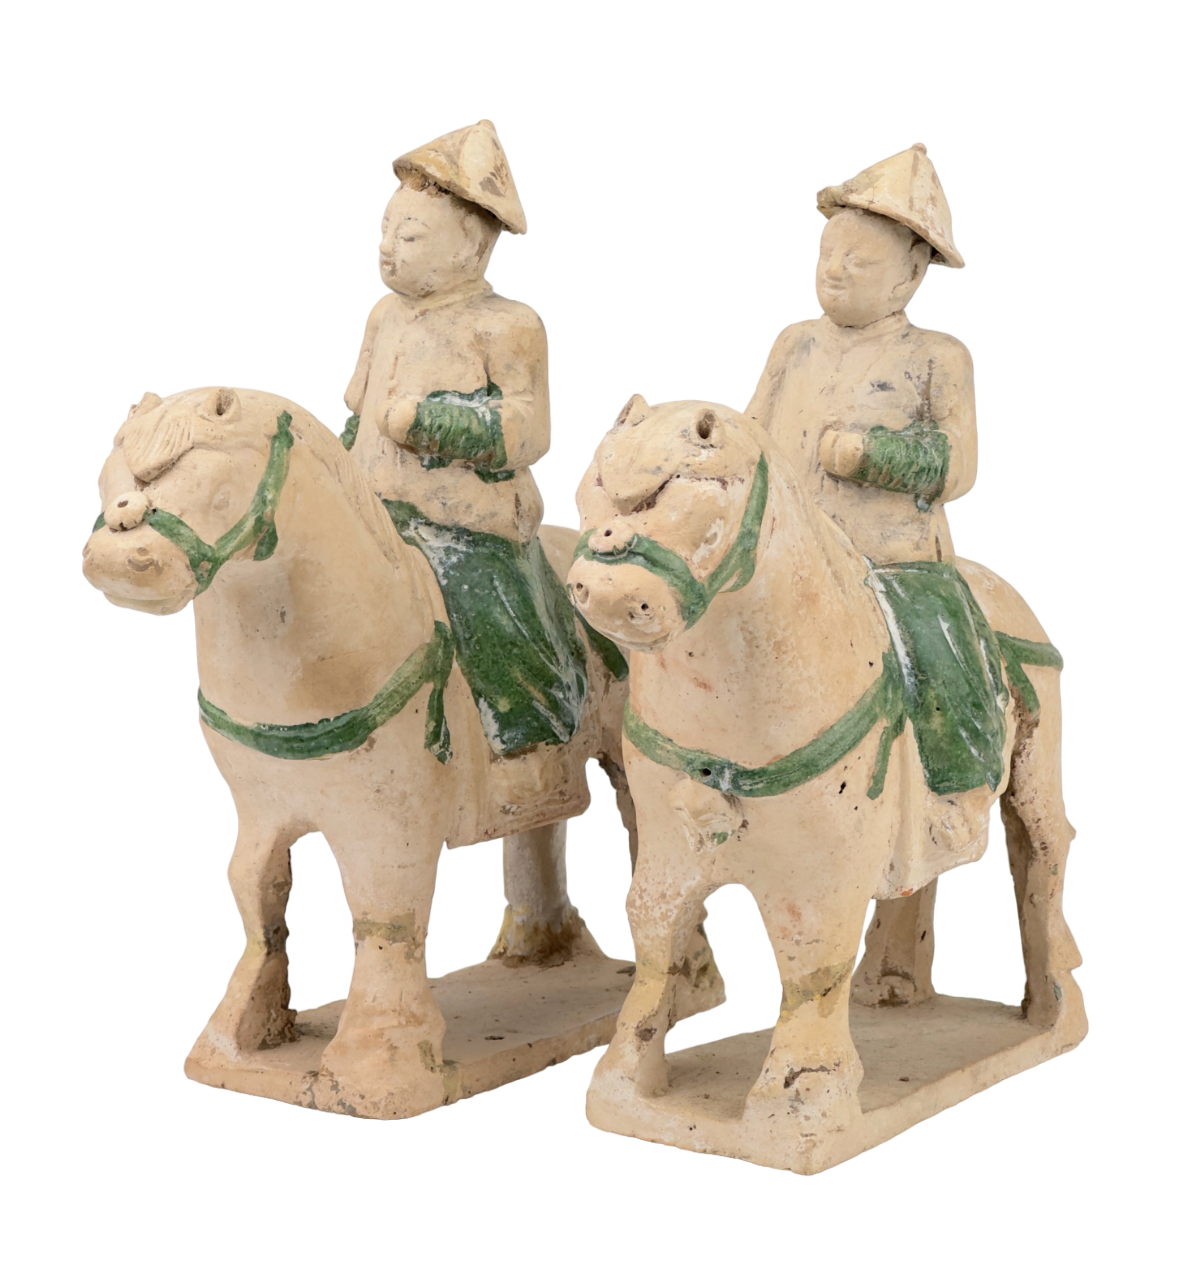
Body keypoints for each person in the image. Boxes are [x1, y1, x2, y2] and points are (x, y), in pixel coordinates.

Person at [746, 145, 1007, 804]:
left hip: (892, 561)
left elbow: (958, 464)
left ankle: (956, 792)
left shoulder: (937, 357)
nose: (834, 271)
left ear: (910, 274)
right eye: (826, 255)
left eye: (858, 261)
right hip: (786, 556)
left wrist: (870, 456)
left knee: (937, 652)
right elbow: (754, 432)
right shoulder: (794, 343)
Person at [345, 120, 587, 756]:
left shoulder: (506, 326)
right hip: (375, 512)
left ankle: (532, 742)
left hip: (467, 527)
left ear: (471, 249)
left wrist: (432, 423)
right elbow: (358, 412)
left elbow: (528, 430)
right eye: (386, 231)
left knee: (494, 620)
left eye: (410, 237)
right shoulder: (384, 316)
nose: (387, 249)